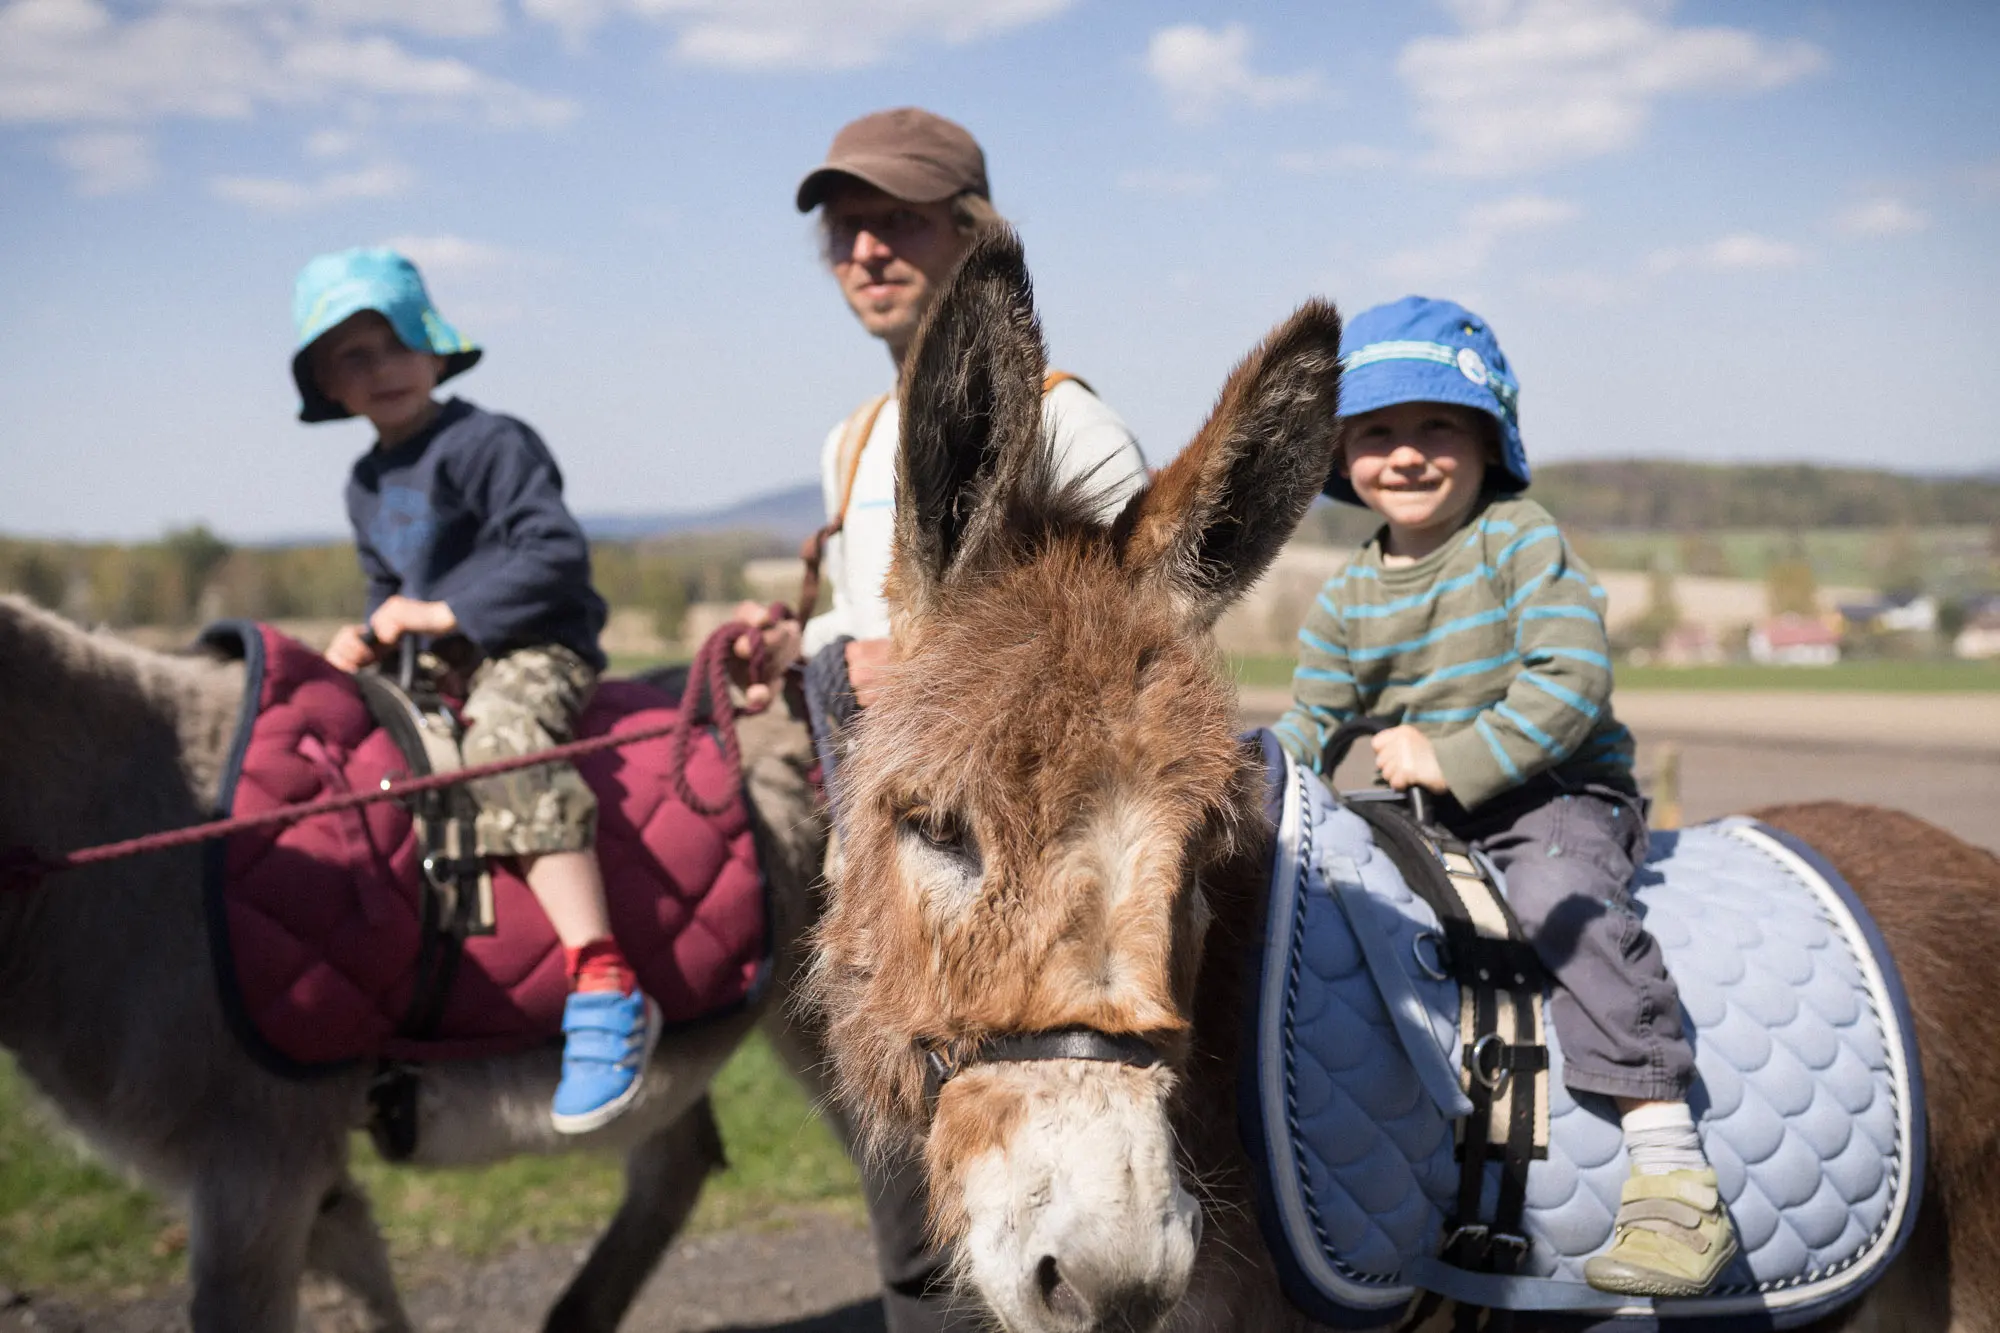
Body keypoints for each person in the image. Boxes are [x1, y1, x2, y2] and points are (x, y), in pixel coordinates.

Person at [733, 108, 1151, 1332]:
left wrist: (902, 664)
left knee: (1043, 1168)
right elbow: (874, 630)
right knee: (902, 1171)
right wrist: (803, 645)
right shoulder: (851, 438)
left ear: (972, 235)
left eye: (897, 220)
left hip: (1018, 879)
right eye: (843, 229)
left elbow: (1120, 656)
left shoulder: (1069, 423)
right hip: (895, 865)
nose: (864, 249)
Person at [1274, 296, 1737, 1298]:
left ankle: (1669, 1170)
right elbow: (1309, 722)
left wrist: (1452, 756)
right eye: (1376, 433)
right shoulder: (1347, 594)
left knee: (1561, 911)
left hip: (1552, 793)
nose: (1405, 454)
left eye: (1435, 425)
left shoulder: (1518, 540)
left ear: (1487, 440)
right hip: (1432, 818)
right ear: (1341, 455)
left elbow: (1568, 684)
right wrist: (1253, 782)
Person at [293, 246, 655, 1135]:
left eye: (390, 344)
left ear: (432, 348)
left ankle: (603, 975)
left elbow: (554, 553)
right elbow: (389, 590)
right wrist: (367, 632)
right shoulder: (365, 482)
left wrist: (443, 609)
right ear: (329, 386)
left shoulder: (489, 441)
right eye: (351, 357)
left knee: (502, 743)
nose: (376, 370)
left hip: (531, 644)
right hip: (437, 662)